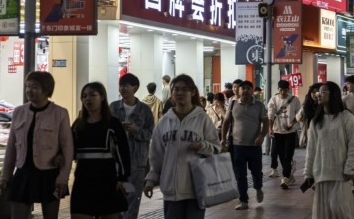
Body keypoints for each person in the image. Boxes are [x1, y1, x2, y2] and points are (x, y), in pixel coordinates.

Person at [144, 74, 220, 218]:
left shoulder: (202, 119)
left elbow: (217, 148)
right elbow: (156, 155)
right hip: (171, 189)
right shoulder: (164, 121)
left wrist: (203, 145)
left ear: (192, 92)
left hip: (197, 188)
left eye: (184, 89)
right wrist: (150, 179)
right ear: (171, 93)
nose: (180, 93)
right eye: (176, 89)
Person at [1, 72, 74, 219]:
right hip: (23, 172)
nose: (29, 90)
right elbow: (11, 147)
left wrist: (63, 178)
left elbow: (67, 148)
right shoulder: (19, 112)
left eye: (34, 87)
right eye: (27, 86)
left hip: (49, 174)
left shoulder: (60, 113)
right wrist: (6, 174)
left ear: (46, 89)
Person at [71, 82, 131, 218]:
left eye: (93, 95)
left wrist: (122, 178)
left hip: (108, 181)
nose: (88, 99)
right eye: (84, 96)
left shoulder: (113, 124)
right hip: (83, 180)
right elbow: (69, 151)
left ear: (102, 97)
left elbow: (123, 152)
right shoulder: (77, 125)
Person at [304, 81, 354, 218]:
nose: (318, 95)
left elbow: (353, 145)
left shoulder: (346, 117)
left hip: (341, 173)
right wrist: (308, 173)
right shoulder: (316, 121)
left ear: (333, 95)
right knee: (323, 213)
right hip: (321, 172)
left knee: (339, 208)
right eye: (319, 92)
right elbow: (311, 149)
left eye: (323, 92)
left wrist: (350, 167)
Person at [110, 73, 155, 219]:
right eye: (121, 85)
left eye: (126, 85)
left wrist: (136, 130)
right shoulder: (113, 107)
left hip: (137, 164)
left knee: (132, 200)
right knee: (116, 200)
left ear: (134, 88)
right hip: (116, 164)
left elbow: (150, 134)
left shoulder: (144, 110)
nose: (122, 88)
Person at [220, 80, 268, 210]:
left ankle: (258, 188)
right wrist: (223, 139)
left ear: (252, 91)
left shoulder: (259, 106)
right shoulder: (233, 103)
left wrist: (261, 136)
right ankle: (243, 200)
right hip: (237, 146)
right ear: (239, 91)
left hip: (254, 146)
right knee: (240, 175)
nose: (245, 90)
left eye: (248, 88)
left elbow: (266, 123)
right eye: (243, 88)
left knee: (256, 172)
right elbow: (227, 122)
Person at [267, 79, 302, 189]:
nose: (282, 92)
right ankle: (287, 175)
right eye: (281, 90)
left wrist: (292, 123)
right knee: (282, 155)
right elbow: (270, 115)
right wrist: (270, 129)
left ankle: (286, 177)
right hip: (277, 132)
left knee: (288, 155)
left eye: (285, 90)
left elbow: (299, 114)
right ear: (278, 89)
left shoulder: (294, 99)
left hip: (290, 132)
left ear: (288, 89)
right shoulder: (273, 99)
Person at [296, 83, 321, 149]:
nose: (315, 94)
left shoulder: (324, 106)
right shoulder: (306, 106)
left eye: (317, 92)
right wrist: (299, 117)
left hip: (321, 132)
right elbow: (298, 117)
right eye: (313, 92)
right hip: (309, 132)